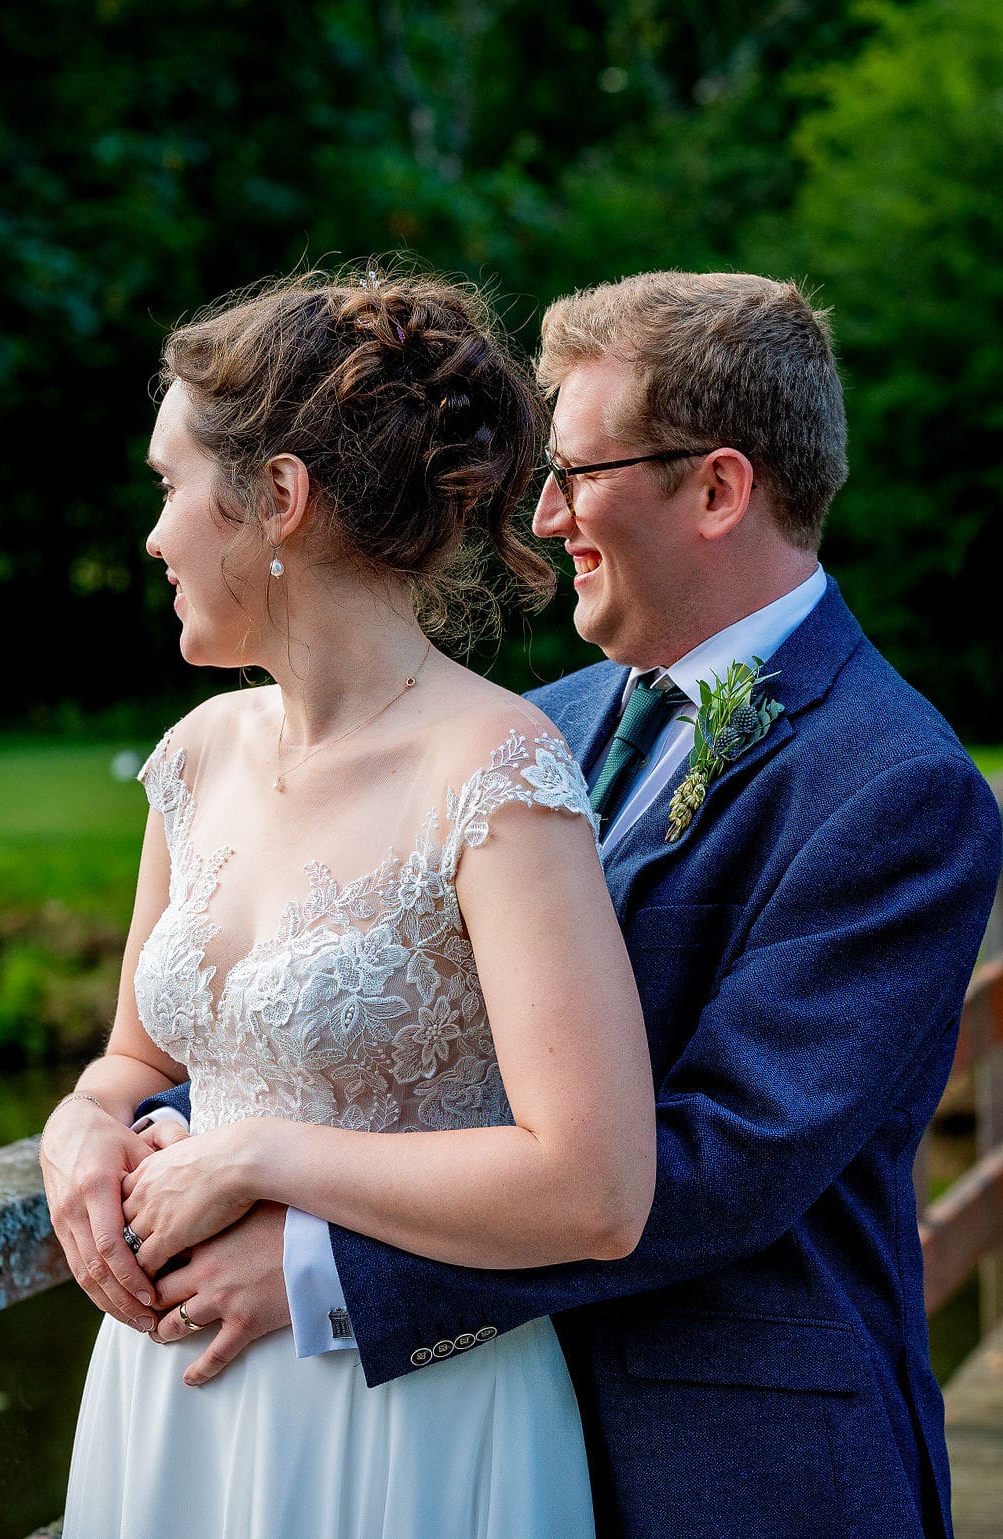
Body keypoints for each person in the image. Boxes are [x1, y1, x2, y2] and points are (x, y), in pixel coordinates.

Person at [131, 270, 1000, 1538]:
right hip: (475, 1427)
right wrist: (147, 1123)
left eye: (578, 472)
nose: (542, 516)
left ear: (717, 490)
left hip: (728, 1465)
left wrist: (326, 1265)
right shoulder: (539, 728)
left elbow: (720, 1159)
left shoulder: (898, 790)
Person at [38, 268, 659, 1539]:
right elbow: (137, 1059)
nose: (153, 537)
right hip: (168, 1399)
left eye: (169, 487)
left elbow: (594, 1187)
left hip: (401, 1419)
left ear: (278, 497)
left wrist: (255, 1155)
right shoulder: (197, 755)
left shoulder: (495, 770)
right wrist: (80, 1126)